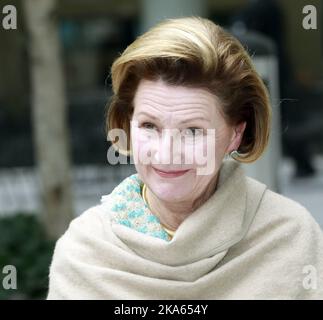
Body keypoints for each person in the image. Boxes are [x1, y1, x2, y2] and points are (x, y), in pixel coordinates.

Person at [47, 17, 323, 299]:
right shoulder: (84, 251)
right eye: (149, 126)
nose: (167, 153)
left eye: (192, 131)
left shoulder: (289, 236)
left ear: (235, 135)